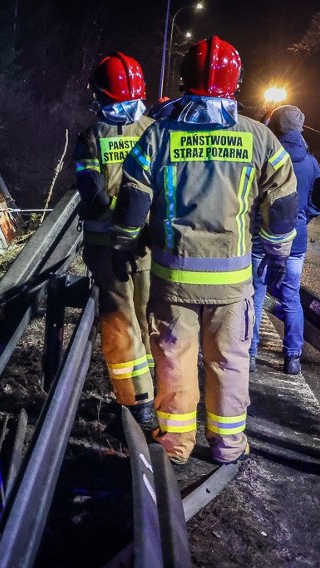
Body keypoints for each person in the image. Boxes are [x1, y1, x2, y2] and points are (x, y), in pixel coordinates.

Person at [109, 36, 298, 465]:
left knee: (174, 362)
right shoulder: (260, 138)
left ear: (183, 79)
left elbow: (133, 201)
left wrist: (124, 242)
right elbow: (284, 202)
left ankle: (175, 446)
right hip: (232, 284)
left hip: (174, 281)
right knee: (229, 363)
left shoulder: (159, 135)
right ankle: (228, 445)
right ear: (237, 82)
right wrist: (274, 248)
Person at [73, 52, 156, 429]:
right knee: (149, 316)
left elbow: (91, 197)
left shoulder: (91, 137)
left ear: (101, 95)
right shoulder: (156, 131)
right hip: (151, 245)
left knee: (121, 322)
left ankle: (137, 403)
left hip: (106, 249)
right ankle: (161, 392)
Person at [251, 105, 320, 375]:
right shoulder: (312, 161)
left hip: (262, 235)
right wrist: (305, 216)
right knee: (291, 296)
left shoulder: (269, 152)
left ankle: (251, 354)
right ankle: (292, 358)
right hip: (297, 241)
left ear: (277, 125)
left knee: (256, 292)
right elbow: (317, 200)